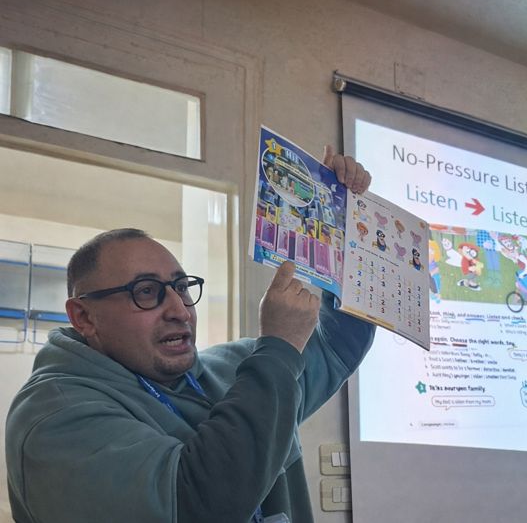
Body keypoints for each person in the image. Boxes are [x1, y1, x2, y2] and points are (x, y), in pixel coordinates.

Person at [5, 148, 375, 523]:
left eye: (181, 287)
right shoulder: (53, 416)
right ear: (84, 317)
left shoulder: (235, 368)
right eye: (146, 291)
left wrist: (341, 224)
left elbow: (335, 345)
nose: (180, 310)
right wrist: (278, 350)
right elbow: (196, 506)